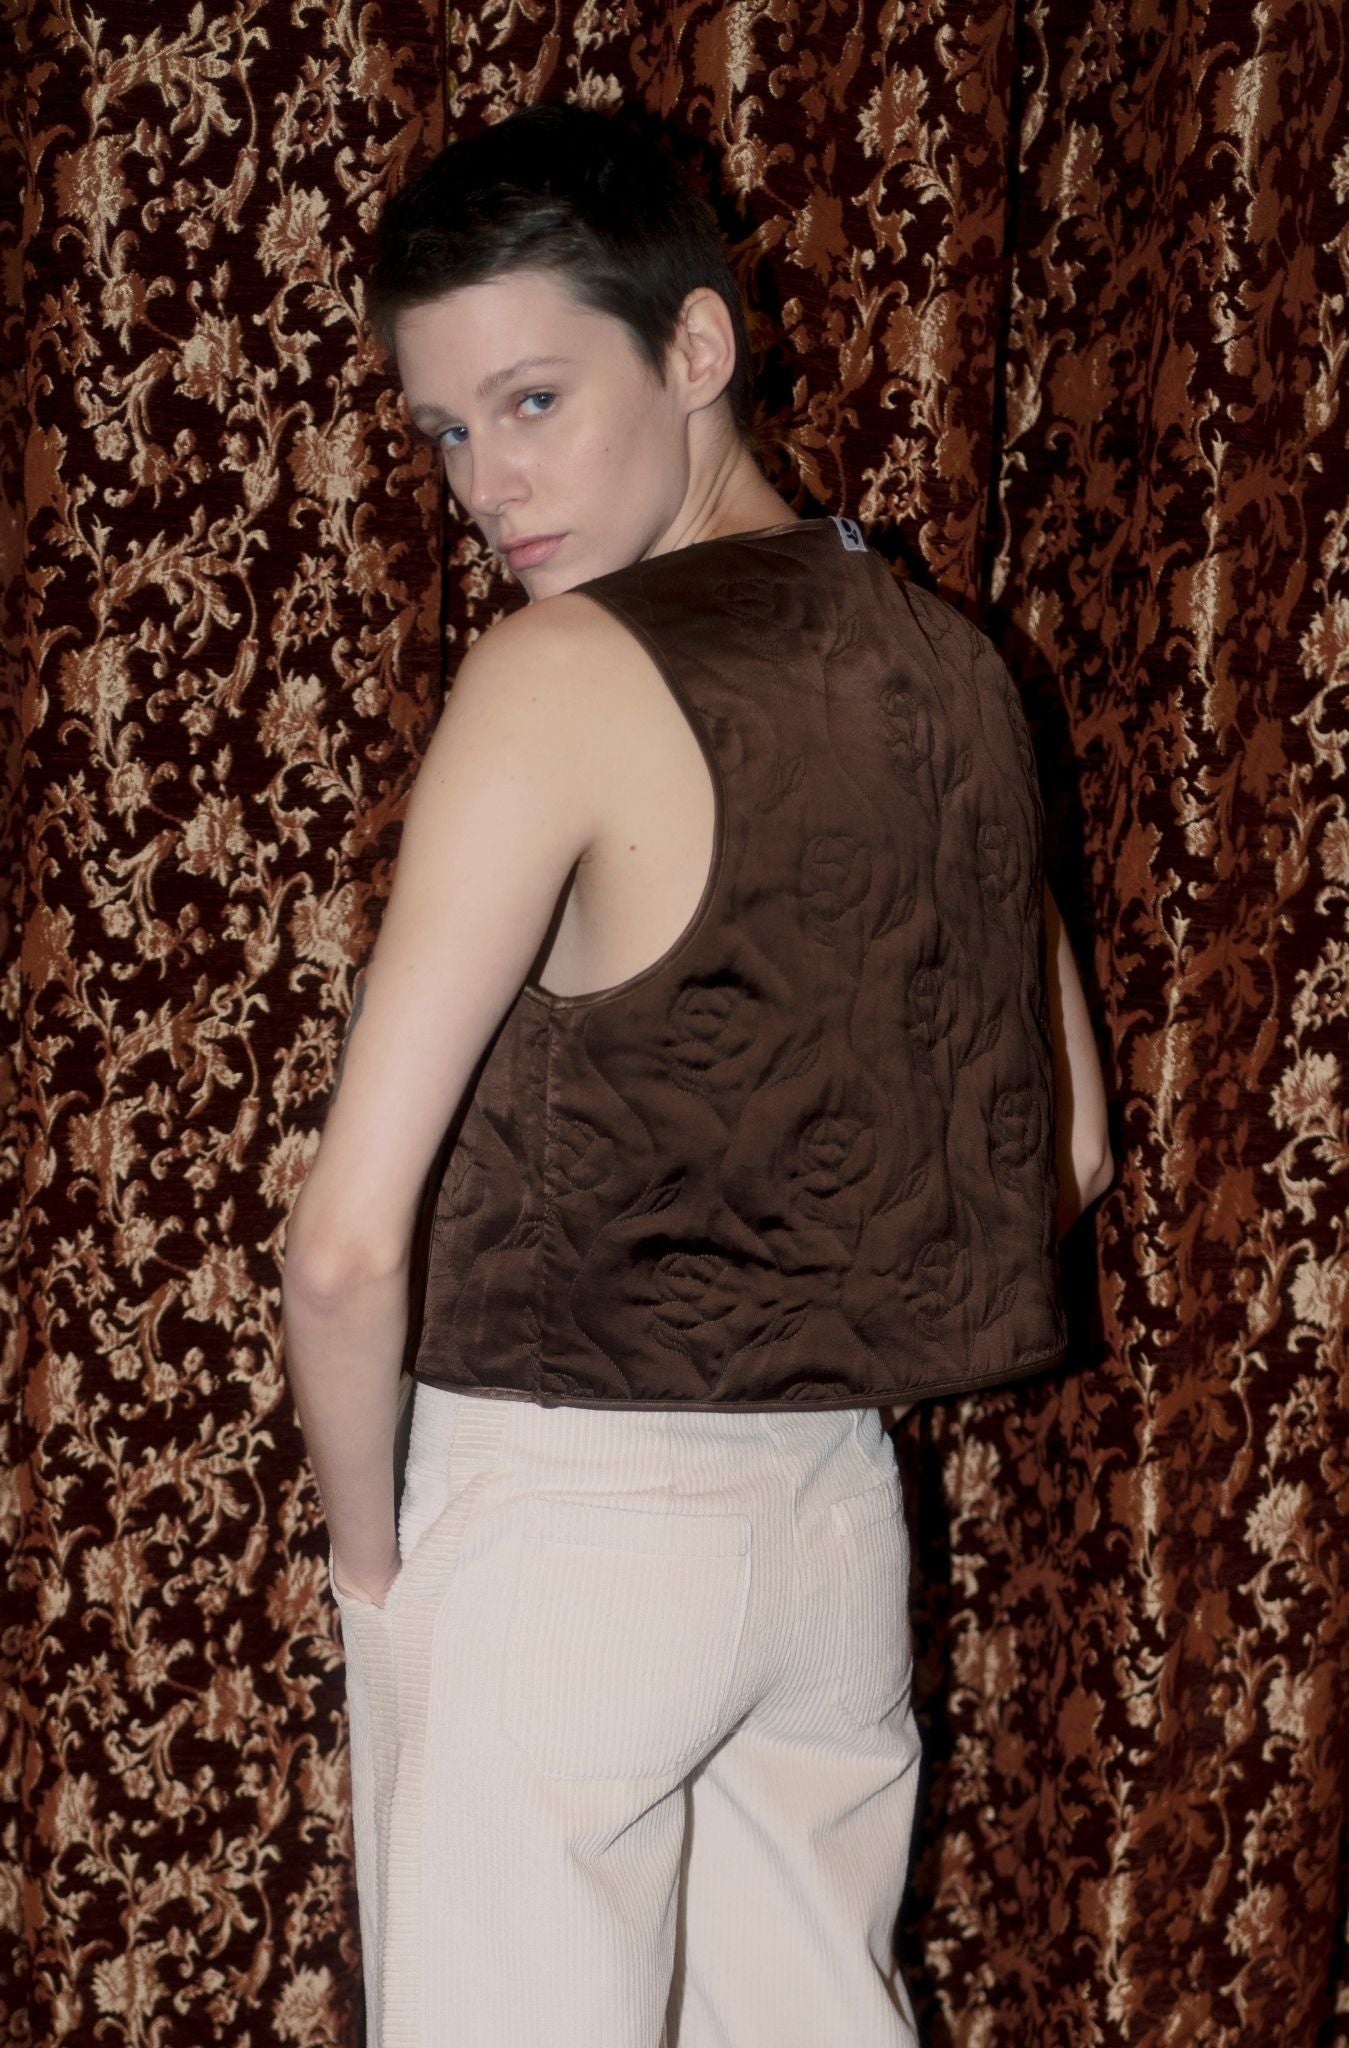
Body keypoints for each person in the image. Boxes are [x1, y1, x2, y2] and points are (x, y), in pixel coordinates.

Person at [281, 99, 1113, 2048]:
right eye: (445, 431)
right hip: (829, 1521)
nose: (488, 483)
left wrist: (372, 1571)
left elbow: (342, 1246)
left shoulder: (556, 670)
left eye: (534, 400)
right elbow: (1065, 1149)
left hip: (558, 1524)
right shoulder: (952, 662)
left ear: (699, 346)